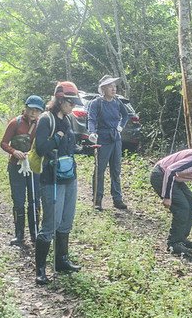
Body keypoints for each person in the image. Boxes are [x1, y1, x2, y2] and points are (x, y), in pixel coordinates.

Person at [33, 81, 84, 285]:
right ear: (60, 99)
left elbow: (68, 147)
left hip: (69, 176)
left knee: (66, 221)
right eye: (70, 102)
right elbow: (41, 148)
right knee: (50, 224)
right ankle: (40, 269)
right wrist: (58, 138)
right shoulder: (46, 119)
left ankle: (61, 261)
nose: (73, 106)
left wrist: (84, 148)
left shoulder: (68, 119)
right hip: (51, 178)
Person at [0, 95, 45, 246]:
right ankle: (19, 236)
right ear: (25, 108)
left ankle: (35, 234)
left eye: (37, 110)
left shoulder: (41, 125)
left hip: (34, 167)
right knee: (19, 201)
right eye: (31, 109)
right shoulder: (15, 123)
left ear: (40, 112)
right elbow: (4, 143)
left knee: (34, 200)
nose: (33, 113)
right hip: (15, 166)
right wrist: (14, 151)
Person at [87, 75, 129, 211]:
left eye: (114, 86)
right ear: (103, 88)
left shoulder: (117, 102)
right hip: (103, 139)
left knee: (116, 170)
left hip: (116, 138)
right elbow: (91, 119)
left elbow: (126, 115)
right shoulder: (96, 103)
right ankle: (97, 200)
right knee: (100, 170)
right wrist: (92, 132)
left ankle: (117, 199)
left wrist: (121, 126)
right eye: (110, 86)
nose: (113, 88)